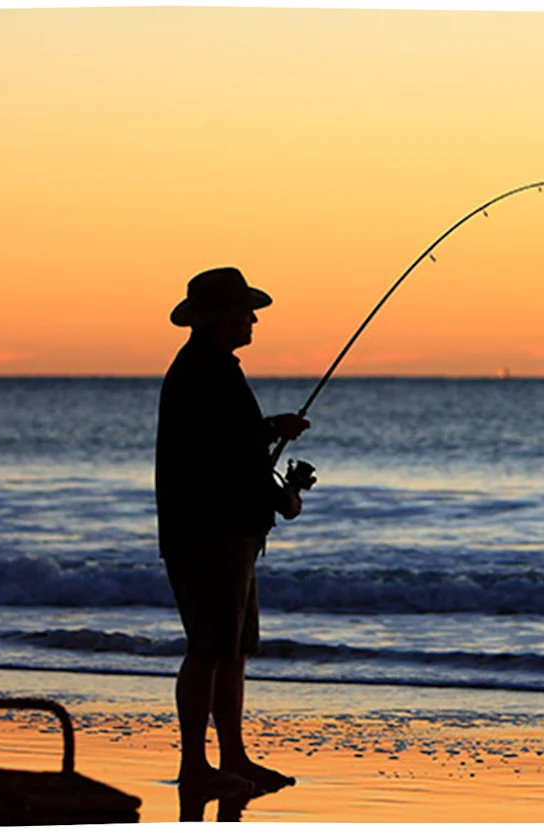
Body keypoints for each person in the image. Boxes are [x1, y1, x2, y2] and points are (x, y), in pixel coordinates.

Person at [154, 266, 310, 799]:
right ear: (222, 317)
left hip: (227, 532)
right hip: (208, 534)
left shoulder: (214, 369)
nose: (253, 319)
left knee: (233, 649)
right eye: (246, 310)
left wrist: (277, 487)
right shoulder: (204, 371)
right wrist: (273, 432)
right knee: (208, 649)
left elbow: (234, 451)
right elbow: (227, 453)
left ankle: (233, 757)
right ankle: (196, 765)